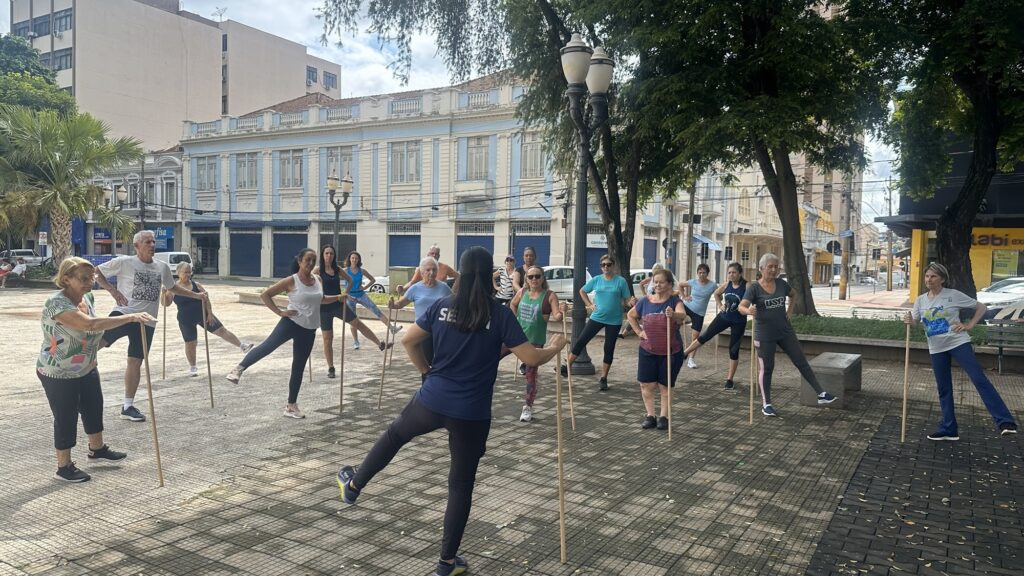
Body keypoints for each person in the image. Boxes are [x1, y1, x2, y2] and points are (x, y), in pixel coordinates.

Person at [336, 246, 566, 576]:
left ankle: (354, 485)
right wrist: (553, 349)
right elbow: (530, 358)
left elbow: (408, 342)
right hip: (471, 412)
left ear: (458, 273)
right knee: (460, 485)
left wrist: (428, 373)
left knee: (395, 434)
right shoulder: (499, 315)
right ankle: (446, 562)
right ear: (491, 276)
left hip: (432, 399)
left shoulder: (444, 306)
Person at [37, 258, 154, 482]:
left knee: (93, 407)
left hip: (85, 365)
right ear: (66, 279)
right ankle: (64, 466)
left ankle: (97, 449)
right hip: (59, 371)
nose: (91, 282)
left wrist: (91, 356)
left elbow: (90, 332)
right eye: (84, 278)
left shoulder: (87, 297)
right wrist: (130, 317)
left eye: (92, 277)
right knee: (66, 416)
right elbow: (89, 325)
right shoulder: (56, 303)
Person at [95, 231, 208, 422]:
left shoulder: (162, 267)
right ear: (137, 246)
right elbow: (96, 272)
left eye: (154, 241)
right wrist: (113, 291)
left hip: (146, 321)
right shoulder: (124, 262)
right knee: (98, 342)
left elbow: (173, 287)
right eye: (148, 242)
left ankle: (128, 406)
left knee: (136, 361)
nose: (152, 245)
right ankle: (77, 366)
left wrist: (197, 296)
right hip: (124, 314)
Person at [226, 248, 346, 419]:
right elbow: (266, 295)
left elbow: (321, 298)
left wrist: (338, 297)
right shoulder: (291, 281)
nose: (311, 264)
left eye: (313, 260)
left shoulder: (317, 279)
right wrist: (279, 312)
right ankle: (238, 369)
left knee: (298, 367)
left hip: (309, 329)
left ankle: (291, 406)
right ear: (300, 261)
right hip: (291, 323)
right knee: (268, 346)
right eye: (308, 260)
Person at [905, 262, 1018, 439]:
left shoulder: (953, 295)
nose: (929, 279)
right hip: (936, 348)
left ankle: (1005, 421)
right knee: (944, 388)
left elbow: (981, 307)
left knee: (978, 379)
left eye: (933, 276)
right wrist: (909, 321)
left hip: (958, 343)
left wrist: (970, 325)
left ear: (942, 279)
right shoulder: (920, 300)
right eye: (927, 276)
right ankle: (949, 429)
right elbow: (916, 323)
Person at [738, 253, 836, 416]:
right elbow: (741, 306)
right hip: (765, 334)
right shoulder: (754, 288)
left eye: (776, 266)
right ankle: (766, 404)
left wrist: (789, 311)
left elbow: (793, 294)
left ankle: (821, 394)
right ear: (761, 268)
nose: (774, 269)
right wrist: (748, 310)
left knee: (801, 361)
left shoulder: (781, 284)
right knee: (767, 368)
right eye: (770, 266)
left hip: (785, 331)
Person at [160, 262, 252, 377]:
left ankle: (241, 345)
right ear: (178, 273)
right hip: (186, 319)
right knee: (190, 343)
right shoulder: (174, 288)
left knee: (221, 330)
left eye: (190, 272)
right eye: (185, 272)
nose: (188, 274)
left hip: (202, 315)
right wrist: (163, 294)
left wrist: (210, 313)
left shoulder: (196, 285)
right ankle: (193, 367)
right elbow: (165, 304)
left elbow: (206, 298)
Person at [314, 244, 390, 378]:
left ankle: (380, 344)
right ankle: (331, 368)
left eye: (331, 253)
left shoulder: (337, 269)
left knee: (358, 323)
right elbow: (308, 282)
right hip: (324, 307)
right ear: (322, 255)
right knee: (327, 339)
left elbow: (349, 281)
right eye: (326, 253)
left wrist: (345, 294)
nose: (329, 256)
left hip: (338, 305)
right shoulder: (317, 270)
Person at [626, 268, 686, 430]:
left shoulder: (674, 302)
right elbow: (631, 315)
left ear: (669, 284)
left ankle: (664, 417)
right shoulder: (645, 301)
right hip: (647, 350)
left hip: (669, 351)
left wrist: (673, 315)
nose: (657, 285)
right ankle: (650, 415)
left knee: (664, 386)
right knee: (646, 384)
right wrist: (639, 331)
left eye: (661, 282)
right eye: (655, 282)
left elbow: (683, 316)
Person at [563, 255, 633, 391]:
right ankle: (567, 367)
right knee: (581, 340)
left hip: (614, 320)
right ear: (601, 266)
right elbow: (582, 291)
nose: (606, 267)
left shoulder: (621, 281)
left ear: (613, 265)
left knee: (608, 348)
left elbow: (627, 299)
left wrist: (631, 302)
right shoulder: (596, 280)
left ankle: (603, 378)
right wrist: (589, 304)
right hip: (597, 317)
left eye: (608, 264)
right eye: (603, 265)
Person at [682, 262, 748, 392]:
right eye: (729, 272)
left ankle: (729, 380)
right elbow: (716, 294)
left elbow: (753, 298)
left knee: (733, 350)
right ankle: (685, 353)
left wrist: (750, 308)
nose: (731, 275)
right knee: (705, 336)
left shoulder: (747, 286)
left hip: (739, 321)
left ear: (740, 273)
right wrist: (719, 305)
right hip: (724, 317)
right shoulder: (727, 284)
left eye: (734, 272)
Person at [509, 265, 562, 422]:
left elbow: (557, 315)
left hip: (534, 342)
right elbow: (513, 304)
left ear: (543, 278)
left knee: (531, 376)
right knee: (491, 357)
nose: (534, 279)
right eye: (530, 276)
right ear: (526, 278)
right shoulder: (522, 292)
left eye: (537, 276)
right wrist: (514, 321)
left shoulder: (549, 296)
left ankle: (527, 407)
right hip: (515, 337)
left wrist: (563, 310)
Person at [389, 256, 453, 371]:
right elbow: (400, 304)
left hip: (441, 330)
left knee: (441, 362)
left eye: (434, 269)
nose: (432, 272)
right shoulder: (415, 288)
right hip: (422, 330)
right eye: (428, 270)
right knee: (426, 362)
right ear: (422, 272)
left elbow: (455, 305)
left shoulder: (444, 288)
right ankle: (427, 382)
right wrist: (393, 305)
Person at [344, 251, 401, 350]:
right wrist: (345, 294)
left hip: (361, 295)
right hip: (350, 297)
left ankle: (392, 328)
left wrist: (364, 287)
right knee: (353, 319)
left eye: (356, 258)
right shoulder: (345, 270)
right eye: (352, 258)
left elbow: (373, 280)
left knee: (376, 310)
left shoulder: (362, 271)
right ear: (349, 259)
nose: (354, 260)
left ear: (359, 260)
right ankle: (356, 341)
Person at [679, 263, 718, 368]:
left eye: (703, 272)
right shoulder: (693, 282)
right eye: (699, 272)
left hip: (699, 314)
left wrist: (720, 299)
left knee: (695, 337)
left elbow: (719, 292)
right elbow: (680, 285)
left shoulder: (712, 285)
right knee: (675, 320)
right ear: (697, 273)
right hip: (687, 307)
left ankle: (690, 359)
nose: (701, 275)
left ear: (707, 273)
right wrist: (684, 297)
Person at [620, 263, 665, 339]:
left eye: (658, 270)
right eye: (655, 270)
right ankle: (634, 333)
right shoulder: (651, 279)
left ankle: (626, 333)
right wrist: (644, 294)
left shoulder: (662, 280)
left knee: (645, 318)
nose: (656, 272)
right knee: (636, 314)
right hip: (648, 302)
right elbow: (641, 284)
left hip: (657, 303)